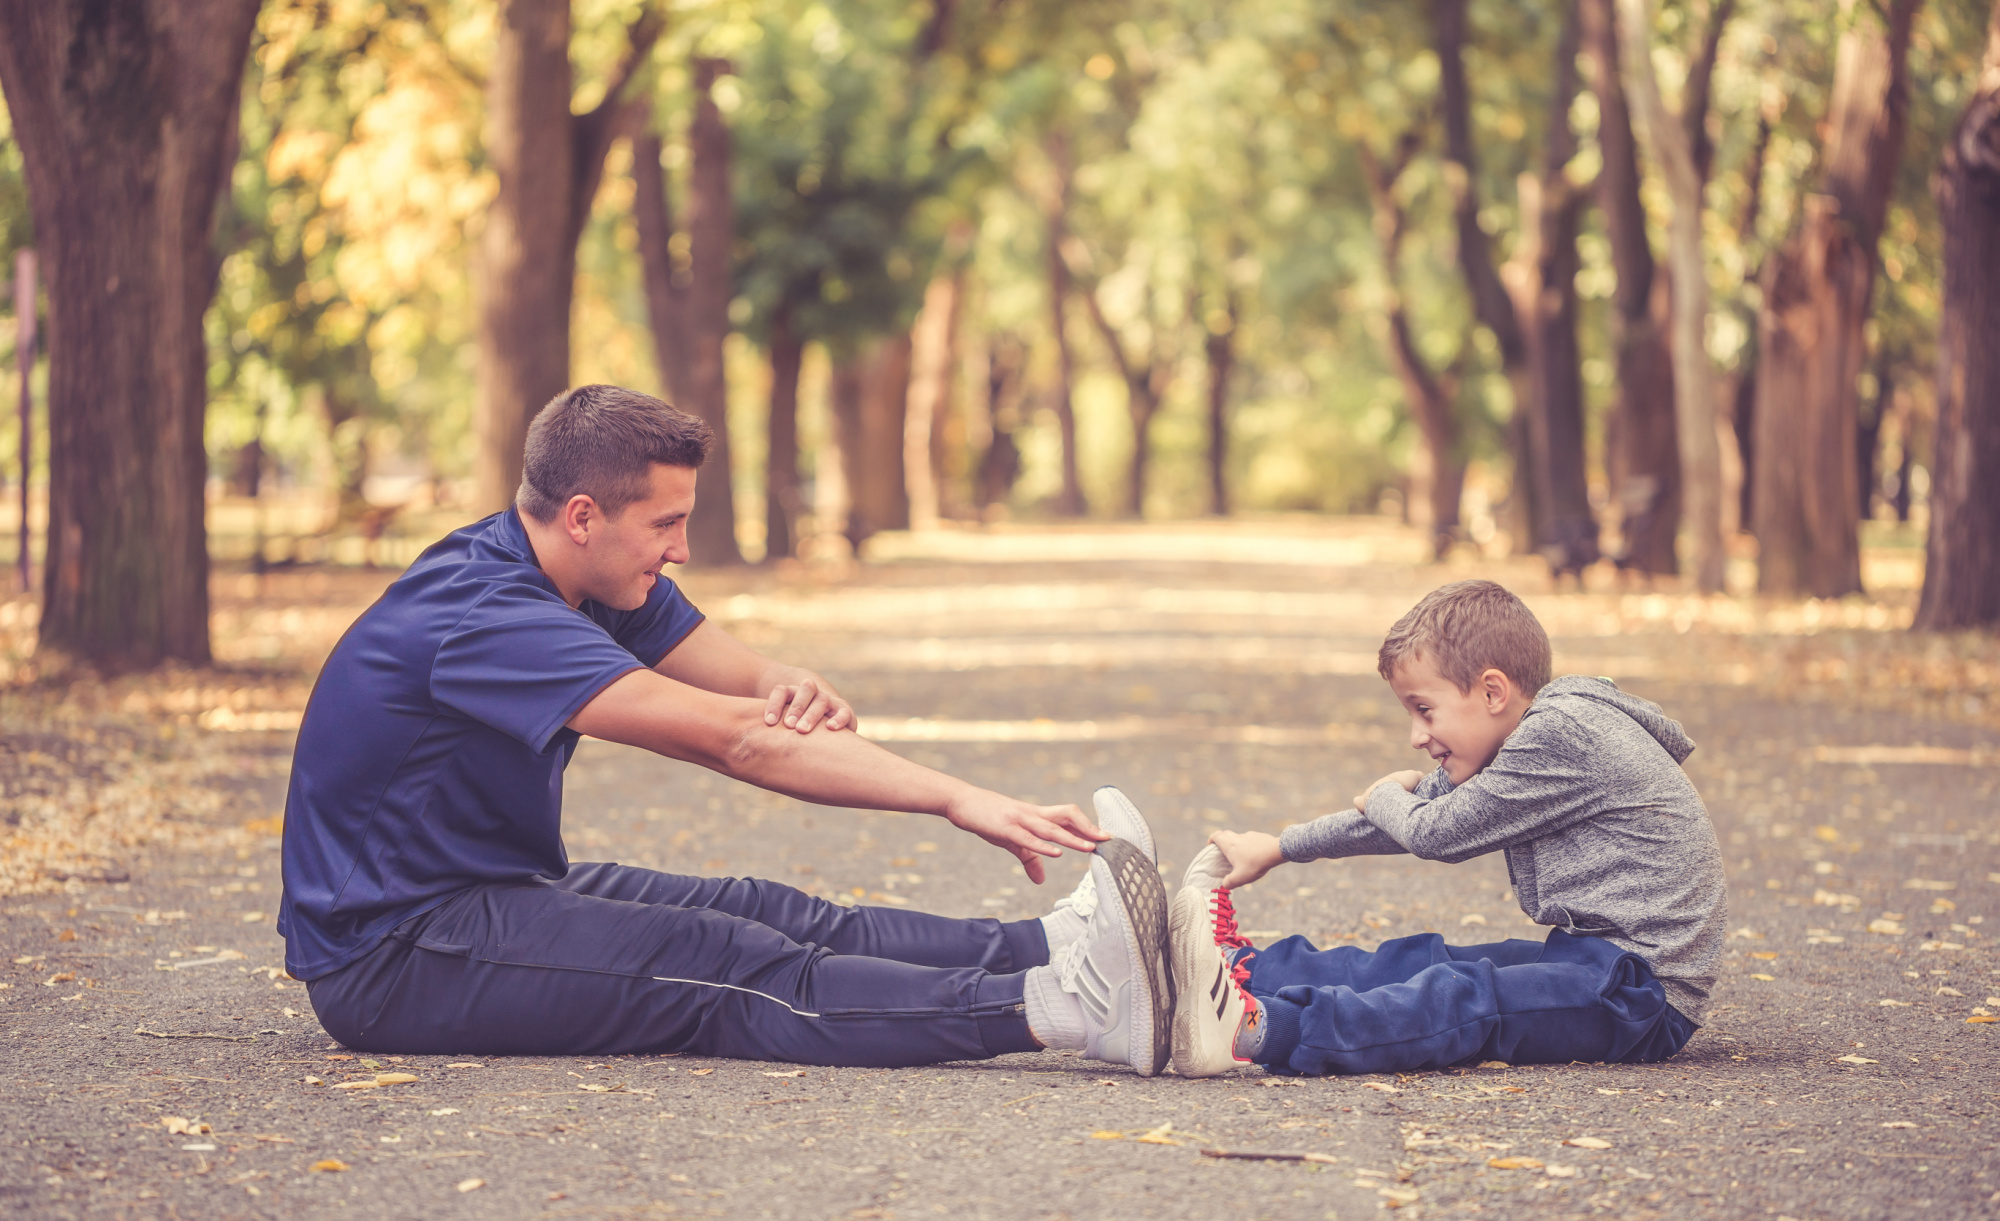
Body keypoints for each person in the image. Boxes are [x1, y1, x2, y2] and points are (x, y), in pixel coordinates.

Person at [279, 385, 1174, 1074]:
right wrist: (957, 798)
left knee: (764, 909)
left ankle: (1056, 942)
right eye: (665, 523)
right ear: (584, 514)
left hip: (485, 890)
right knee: (726, 963)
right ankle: (1067, 1003)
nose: (680, 548)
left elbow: (749, 689)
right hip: (392, 954)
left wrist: (786, 682)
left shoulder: (574, 569)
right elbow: (735, 738)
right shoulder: (490, 614)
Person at [1165, 579, 1725, 1078]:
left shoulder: (1558, 737)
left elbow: (1434, 834)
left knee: (1466, 997)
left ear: (1491, 692)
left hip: (1644, 994)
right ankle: (1234, 971)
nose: (1415, 735)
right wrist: (1281, 846)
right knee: (1428, 960)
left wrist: (1385, 796)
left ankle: (1255, 1028)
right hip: (1592, 959)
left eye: (1424, 710)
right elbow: (1415, 821)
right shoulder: (1520, 737)